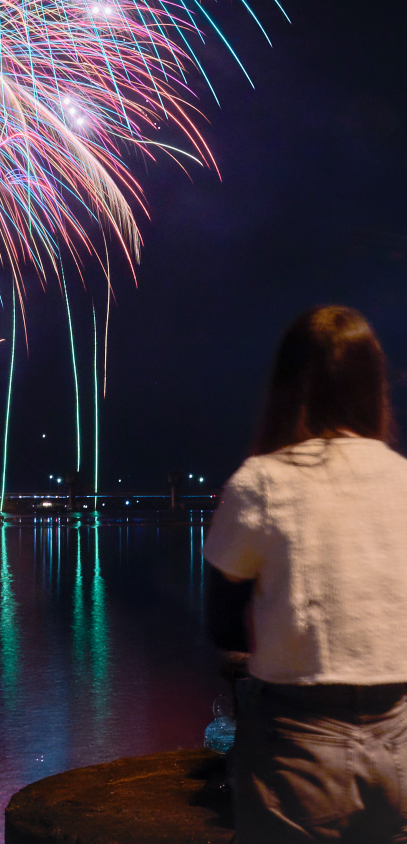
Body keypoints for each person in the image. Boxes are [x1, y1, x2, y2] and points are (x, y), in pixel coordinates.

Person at [204, 305, 407, 842]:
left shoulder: (262, 482)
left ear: (287, 387)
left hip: (298, 742)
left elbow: (222, 618)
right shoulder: (403, 479)